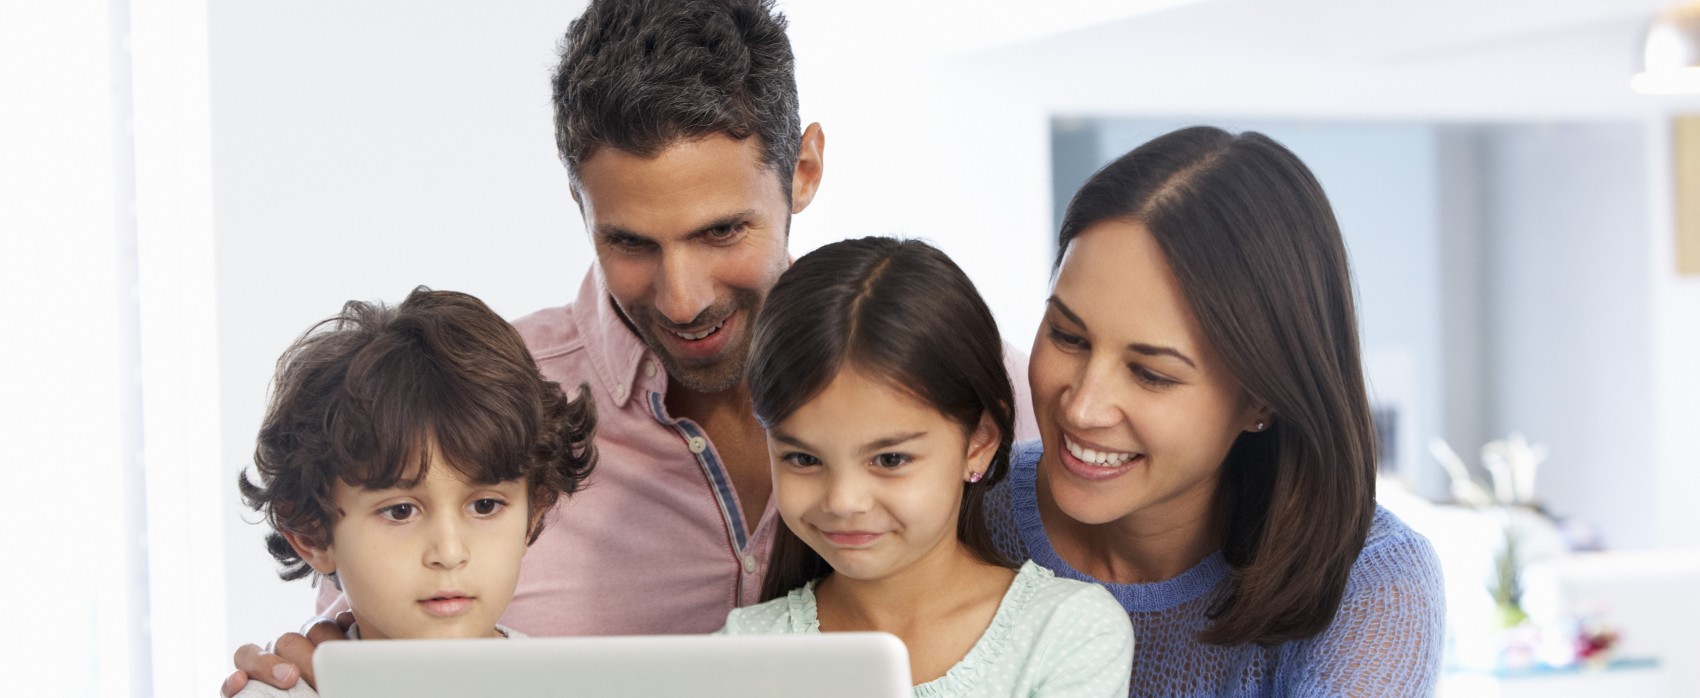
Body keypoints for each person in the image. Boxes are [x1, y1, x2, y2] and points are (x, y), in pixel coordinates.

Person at [224, 0, 1035, 693]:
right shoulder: (499, 410)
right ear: (579, 203)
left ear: (805, 170)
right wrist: (322, 657)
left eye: (722, 231)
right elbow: (370, 614)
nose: (683, 298)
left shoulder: (957, 386)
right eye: (630, 242)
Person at [984, 126, 1445, 696]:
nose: (1083, 406)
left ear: (1263, 396)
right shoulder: (956, 511)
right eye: (1068, 336)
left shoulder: (1366, 582)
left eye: (1151, 373)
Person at [720, 237, 1133, 696]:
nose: (843, 501)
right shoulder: (740, 652)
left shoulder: (1066, 633)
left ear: (978, 441)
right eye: (803, 459)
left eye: (890, 459)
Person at [232, 288, 598, 697]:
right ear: (311, 534)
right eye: (401, 511)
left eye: (484, 505)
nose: (449, 552)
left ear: (533, 513)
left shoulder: (572, 685)